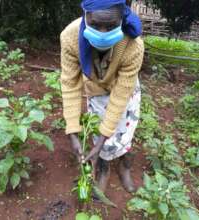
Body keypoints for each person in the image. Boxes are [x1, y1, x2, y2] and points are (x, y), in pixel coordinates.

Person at [60, 0, 144, 194]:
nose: (103, 33)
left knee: (124, 131)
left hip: (124, 90)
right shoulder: (70, 37)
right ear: (85, 15)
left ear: (122, 18)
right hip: (96, 88)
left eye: (112, 26)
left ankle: (124, 167)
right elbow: (70, 85)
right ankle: (104, 170)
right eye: (96, 25)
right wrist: (72, 131)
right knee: (99, 131)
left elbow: (121, 95)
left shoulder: (133, 45)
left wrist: (100, 144)